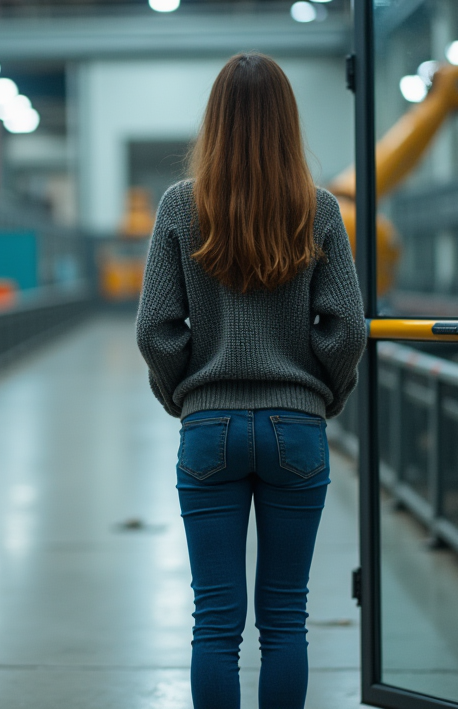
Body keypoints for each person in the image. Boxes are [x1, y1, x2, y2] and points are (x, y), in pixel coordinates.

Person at [135, 52, 366, 709]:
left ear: (215, 123)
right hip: (296, 426)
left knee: (215, 623)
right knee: (286, 619)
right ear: (287, 123)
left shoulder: (181, 204)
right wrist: (324, 393)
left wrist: (186, 396)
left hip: (209, 431)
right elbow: (346, 325)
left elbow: (156, 327)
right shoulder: (316, 207)